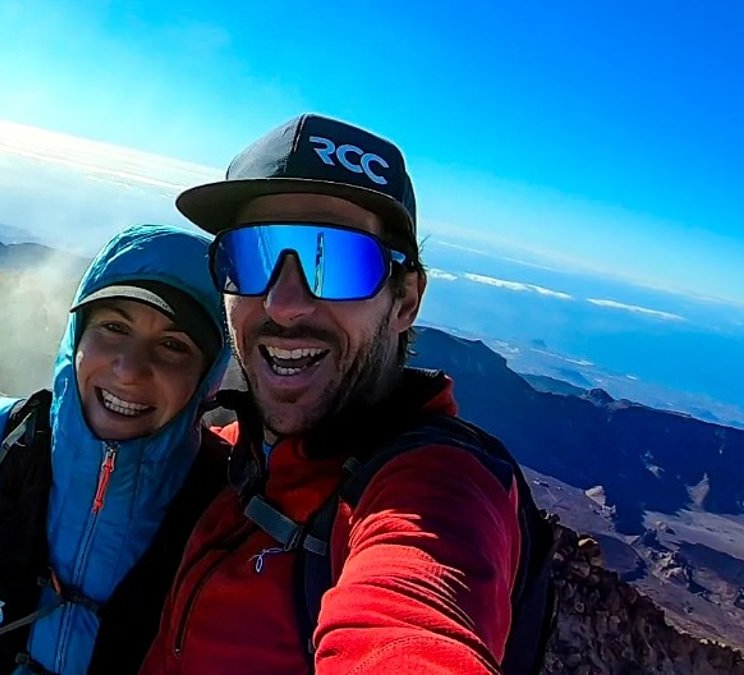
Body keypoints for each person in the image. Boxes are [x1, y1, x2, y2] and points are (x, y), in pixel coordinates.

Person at [141, 114, 555, 674]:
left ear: (405, 301)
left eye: (335, 260)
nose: (284, 304)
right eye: (252, 256)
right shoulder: (229, 451)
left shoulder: (436, 491)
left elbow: (409, 621)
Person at [0, 223, 232, 675]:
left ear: (206, 379)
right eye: (114, 327)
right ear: (76, 336)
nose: (129, 369)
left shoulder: (226, 505)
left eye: (173, 345)